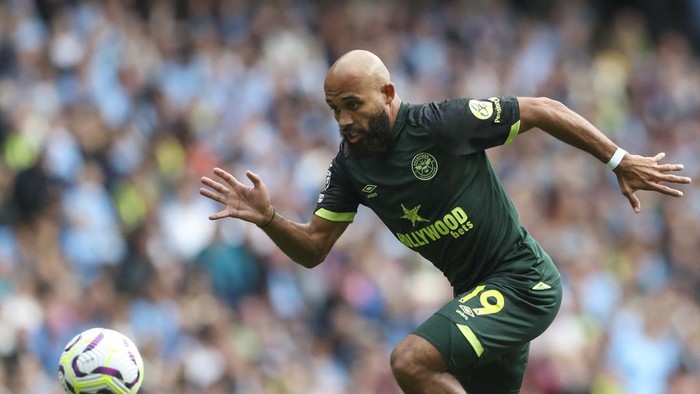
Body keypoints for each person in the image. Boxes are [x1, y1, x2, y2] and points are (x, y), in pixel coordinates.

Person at [199, 49, 692, 393]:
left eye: (353, 105)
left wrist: (617, 160)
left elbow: (542, 109)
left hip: (523, 284)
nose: (344, 120)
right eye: (334, 110)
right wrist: (268, 219)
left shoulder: (441, 124)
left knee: (410, 360)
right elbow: (312, 248)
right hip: (477, 301)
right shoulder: (350, 167)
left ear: (388, 93)